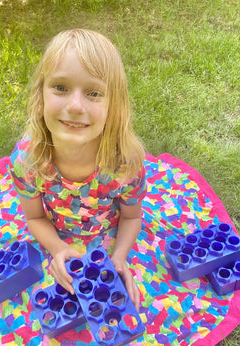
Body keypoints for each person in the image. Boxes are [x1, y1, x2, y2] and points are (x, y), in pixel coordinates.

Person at [10, 29, 146, 311]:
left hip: (111, 235)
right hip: (56, 236)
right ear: (40, 96)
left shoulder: (124, 164)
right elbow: (34, 217)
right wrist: (58, 249)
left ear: (114, 106)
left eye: (94, 93)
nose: (74, 106)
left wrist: (119, 258)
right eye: (60, 87)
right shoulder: (27, 161)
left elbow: (132, 218)